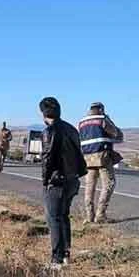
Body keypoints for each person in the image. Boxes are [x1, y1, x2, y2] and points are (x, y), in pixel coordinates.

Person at [39, 97, 87, 267]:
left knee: (54, 219)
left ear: (43, 114)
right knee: (64, 216)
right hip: (72, 179)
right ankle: (66, 254)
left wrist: (45, 181)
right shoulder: (71, 129)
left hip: (57, 181)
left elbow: (47, 158)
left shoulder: (49, 131)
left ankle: (56, 259)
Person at [78, 102, 123, 224]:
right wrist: (109, 120)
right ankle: (101, 214)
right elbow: (117, 134)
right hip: (102, 157)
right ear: (101, 109)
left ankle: (89, 216)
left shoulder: (81, 122)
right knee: (109, 184)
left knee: (89, 187)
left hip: (87, 158)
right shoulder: (102, 119)